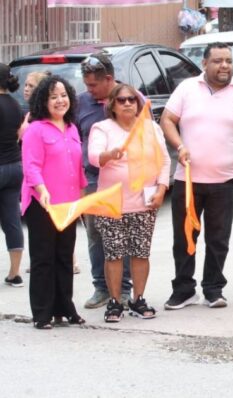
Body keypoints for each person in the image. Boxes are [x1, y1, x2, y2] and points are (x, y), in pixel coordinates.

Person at [160, 42, 233, 310]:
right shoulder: (187, 89)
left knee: (218, 239)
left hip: (225, 181)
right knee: (184, 238)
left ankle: (213, 289)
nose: (224, 65)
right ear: (205, 63)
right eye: (218, 60)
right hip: (188, 180)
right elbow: (167, 120)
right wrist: (179, 146)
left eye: (228, 60)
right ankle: (183, 289)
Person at [89, 84, 170, 322]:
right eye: (121, 100)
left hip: (144, 202)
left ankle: (138, 299)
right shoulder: (102, 128)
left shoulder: (151, 127)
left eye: (132, 100)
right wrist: (109, 155)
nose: (127, 104)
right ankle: (114, 302)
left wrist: (162, 188)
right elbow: (94, 157)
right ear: (112, 105)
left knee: (140, 253)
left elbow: (164, 161)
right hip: (112, 203)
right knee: (113, 254)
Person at [21, 75, 87, 329]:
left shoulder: (71, 127)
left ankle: (65, 308)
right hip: (42, 204)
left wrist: (82, 197)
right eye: (53, 97)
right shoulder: (36, 129)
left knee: (64, 256)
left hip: (67, 203)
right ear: (43, 101)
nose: (60, 101)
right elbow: (31, 166)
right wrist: (41, 188)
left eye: (63, 95)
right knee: (43, 258)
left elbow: (77, 167)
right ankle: (41, 312)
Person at [76, 53, 132, 309]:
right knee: (96, 235)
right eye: (87, 85)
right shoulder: (80, 103)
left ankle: (123, 289)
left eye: (93, 85)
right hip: (92, 180)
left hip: (124, 181)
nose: (89, 90)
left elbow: (147, 139)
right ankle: (101, 287)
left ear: (109, 79)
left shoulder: (130, 99)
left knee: (125, 234)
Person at [0, 64, 24, 288]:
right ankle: (14, 273)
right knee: (12, 220)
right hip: (15, 166)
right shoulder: (16, 105)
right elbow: (19, 135)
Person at [19, 71, 50, 137]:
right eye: (26, 85)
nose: (26, 89)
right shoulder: (30, 112)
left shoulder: (43, 114)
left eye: (31, 86)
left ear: (40, 90)